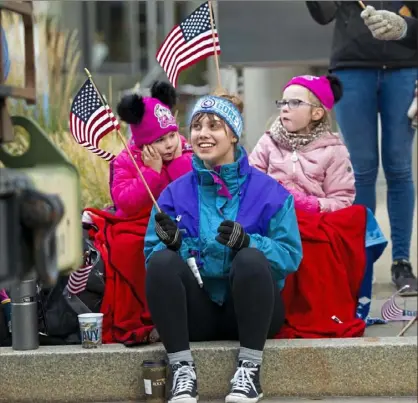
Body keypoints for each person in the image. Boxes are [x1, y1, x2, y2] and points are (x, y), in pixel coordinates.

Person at [144, 92, 302, 403]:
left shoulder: (269, 191)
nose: (203, 134)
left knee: (252, 259)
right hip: (196, 316)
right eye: (197, 126)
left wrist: (248, 242)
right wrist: (175, 245)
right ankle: (181, 370)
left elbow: (290, 254)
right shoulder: (173, 193)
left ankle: (249, 370)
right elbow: (152, 256)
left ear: (233, 134)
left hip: (252, 314)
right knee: (161, 262)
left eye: (214, 126)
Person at [306, 1, 418, 293]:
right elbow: (323, 14)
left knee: (399, 166)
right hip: (352, 69)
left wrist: (404, 27)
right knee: (362, 168)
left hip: (405, 68)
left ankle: (401, 262)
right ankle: (361, 258)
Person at [249, 74, 355, 213]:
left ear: (316, 114)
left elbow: (342, 200)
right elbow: (250, 180)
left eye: (294, 103)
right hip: (272, 220)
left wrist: (312, 204)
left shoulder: (334, 151)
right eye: (283, 102)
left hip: (315, 224)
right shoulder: (268, 142)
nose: (285, 108)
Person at [110, 81, 193, 218]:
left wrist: (178, 161)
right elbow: (125, 202)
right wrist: (151, 172)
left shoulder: (185, 151)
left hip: (177, 222)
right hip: (139, 224)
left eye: (172, 135)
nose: (169, 144)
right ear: (144, 144)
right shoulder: (127, 161)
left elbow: (194, 191)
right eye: (160, 140)